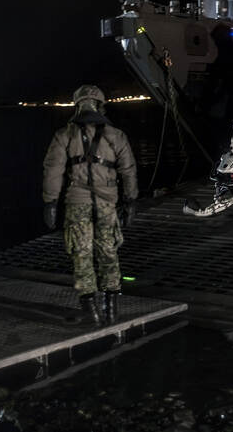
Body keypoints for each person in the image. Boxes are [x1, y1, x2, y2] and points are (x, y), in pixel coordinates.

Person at [42, 85, 138, 326]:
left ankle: (91, 311)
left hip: (77, 203)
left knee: (81, 254)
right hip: (108, 204)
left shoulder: (64, 135)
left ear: (77, 104)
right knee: (108, 251)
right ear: (100, 104)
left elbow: (52, 171)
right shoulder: (116, 135)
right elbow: (128, 171)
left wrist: (50, 202)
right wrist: (130, 200)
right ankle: (111, 309)